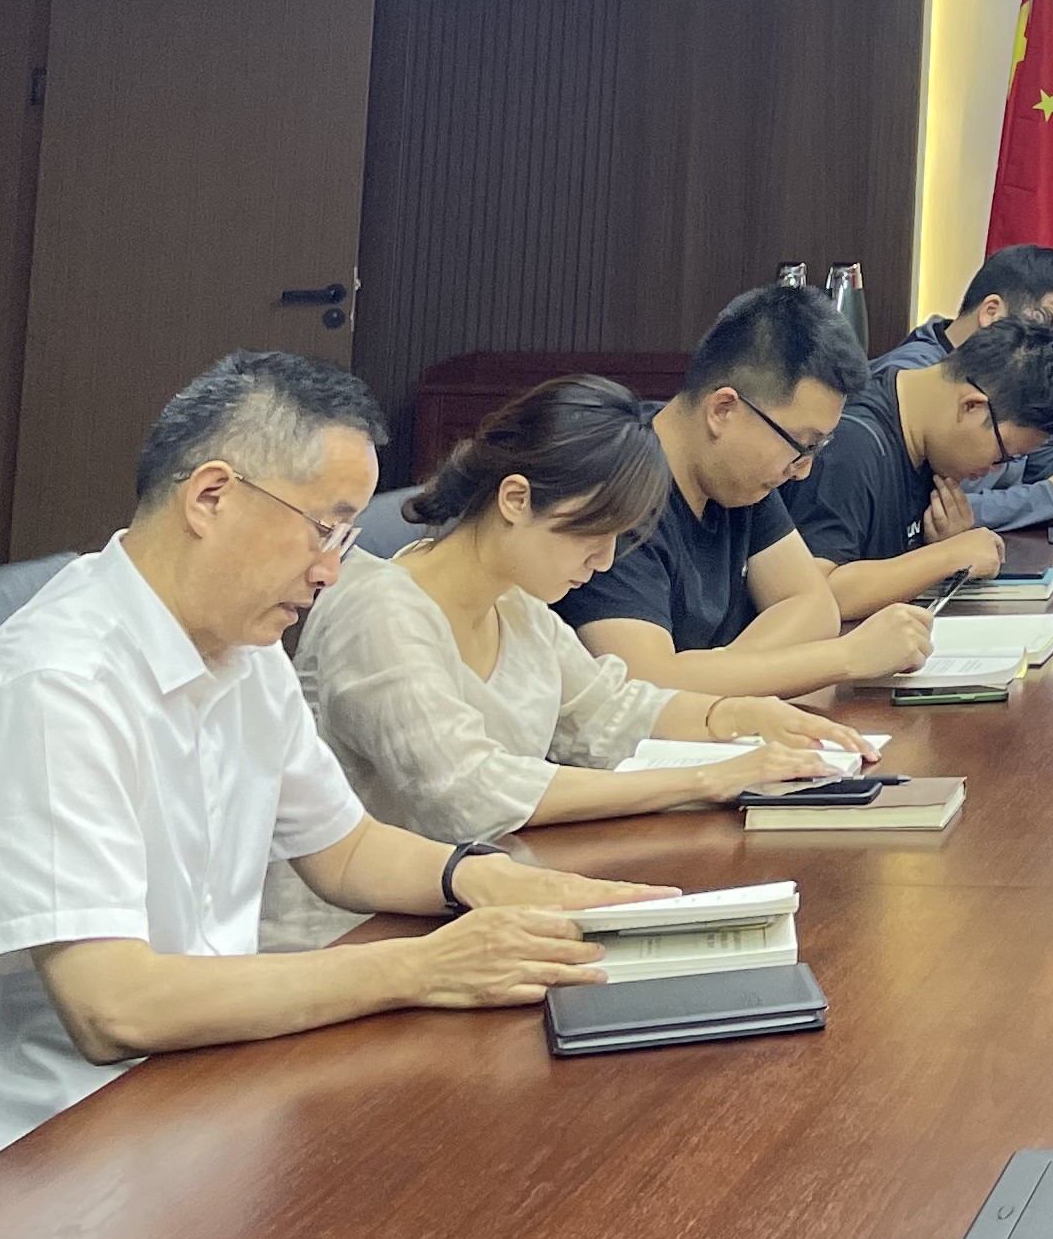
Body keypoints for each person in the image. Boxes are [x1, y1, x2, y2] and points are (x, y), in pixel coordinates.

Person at [0, 351, 670, 1178]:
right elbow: (114, 1006)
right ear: (211, 497)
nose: (332, 569)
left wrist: (481, 877)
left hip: (192, 1100)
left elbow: (343, 849)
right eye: (324, 529)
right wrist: (424, 967)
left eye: (346, 537)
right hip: (25, 1166)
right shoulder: (56, 687)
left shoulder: (241, 650)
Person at [263, 375, 885, 949]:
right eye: (593, 534)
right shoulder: (378, 610)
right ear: (515, 499)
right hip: (352, 941)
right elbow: (470, 792)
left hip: (475, 914)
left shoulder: (518, 607)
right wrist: (707, 779)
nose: (605, 560)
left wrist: (738, 715)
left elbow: (611, 709)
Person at [559, 285, 937, 697]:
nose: (803, 471)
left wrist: (713, 675)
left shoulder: (738, 480)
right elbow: (646, 687)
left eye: (816, 449)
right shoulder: (618, 486)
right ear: (723, 410)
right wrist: (847, 657)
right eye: (800, 445)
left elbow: (813, 605)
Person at [791, 312, 1053, 623]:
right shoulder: (850, 445)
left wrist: (941, 542)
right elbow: (815, 596)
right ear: (972, 406)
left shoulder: (928, 443)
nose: (994, 470)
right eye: (1005, 455)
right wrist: (948, 556)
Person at [879, 244, 1053, 531]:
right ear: (992, 311)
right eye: (1044, 330)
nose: (1049, 348)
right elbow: (927, 511)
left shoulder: (1008, 376)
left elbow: (1041, 452)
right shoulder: (918, 380)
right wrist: (1047, 499)